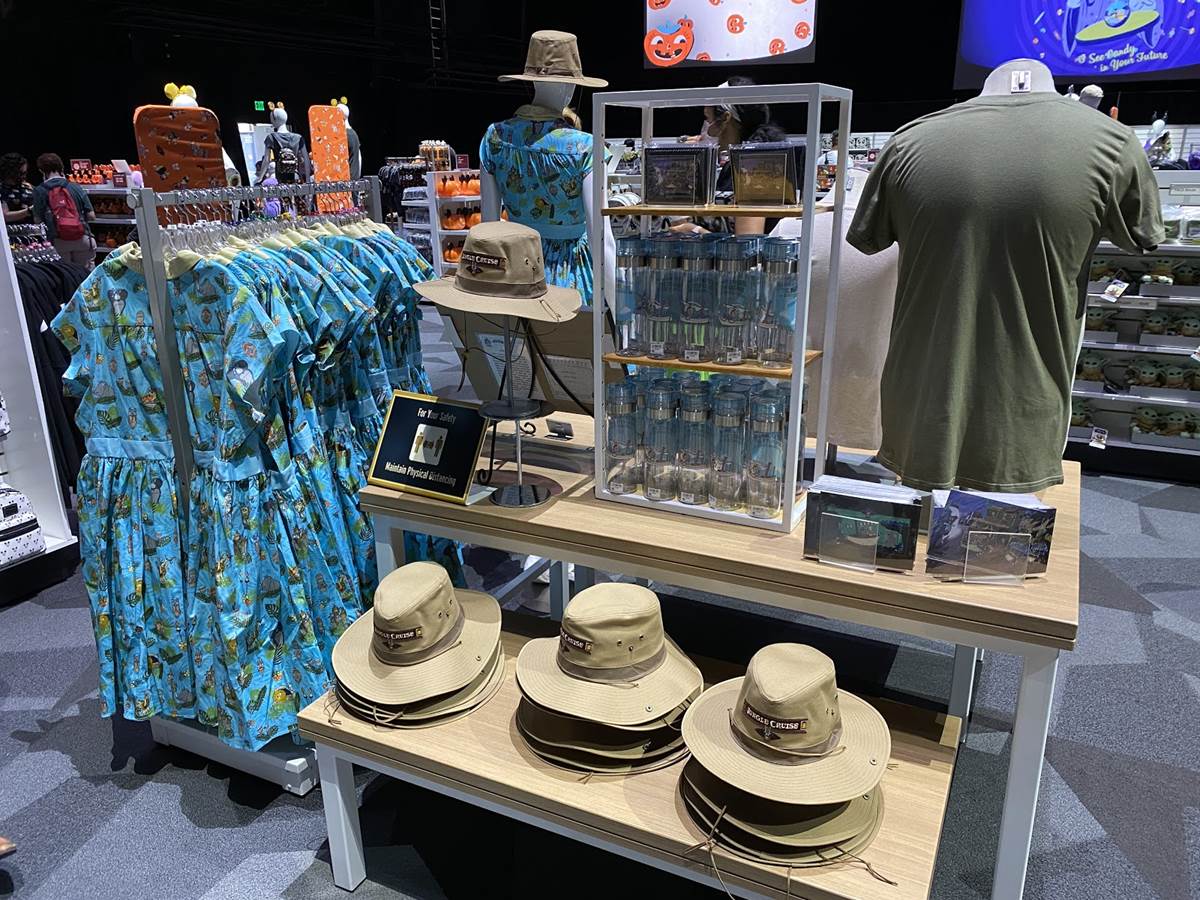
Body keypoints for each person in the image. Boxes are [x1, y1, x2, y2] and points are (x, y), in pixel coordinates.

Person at [32, 153, 96, 269]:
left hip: (58, 242)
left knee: (65, 276)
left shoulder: (39, 191)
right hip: (83, 239)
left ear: (41, 171)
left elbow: (37, 221)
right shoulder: (75, 187)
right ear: (62, 168)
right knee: (88, 276)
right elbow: (91, 216)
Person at [1, 153, 35, 224]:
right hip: (10, 230)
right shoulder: (2, 189)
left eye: (25, 173)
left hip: (32, 229)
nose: (24, 176)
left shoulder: (28, 187)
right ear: (10, 172)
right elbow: (5, 216)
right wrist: (29, 211)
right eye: (21, 173)